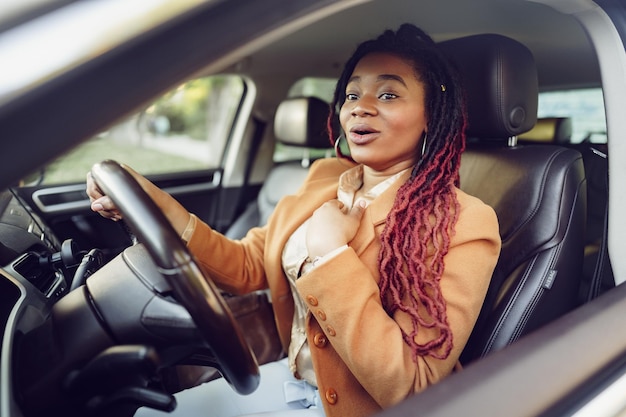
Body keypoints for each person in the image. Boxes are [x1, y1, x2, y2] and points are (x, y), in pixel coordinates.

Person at [86, 23, 501, 417]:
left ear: (432, 114)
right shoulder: (325, 179)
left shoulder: (462, 223)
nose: (361, 109)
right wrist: (151, 202)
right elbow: (247, 264)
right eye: (352, 95)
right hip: (297, 381)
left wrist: (332, 256)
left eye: (388, 95)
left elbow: (414, 384)